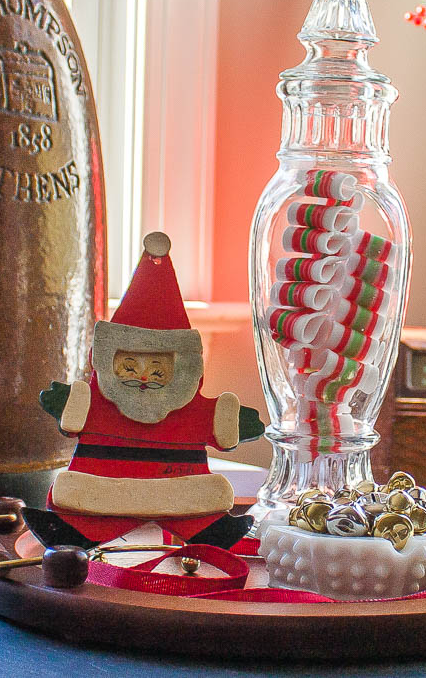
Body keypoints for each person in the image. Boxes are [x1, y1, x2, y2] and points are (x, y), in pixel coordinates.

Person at [23, 231, 263, 550]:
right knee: (88, 510)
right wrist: (63, 402)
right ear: (110, 359)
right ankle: (71, 532)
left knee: (195, 513)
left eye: (159, 369)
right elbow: (75, 412)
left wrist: (234, 421)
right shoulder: (94, 400)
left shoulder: (190, 407)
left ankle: (212, 533)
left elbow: (217, 423)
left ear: (182, 367)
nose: (144, 377)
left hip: (180, 483)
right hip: (99, 482)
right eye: (130, 365)